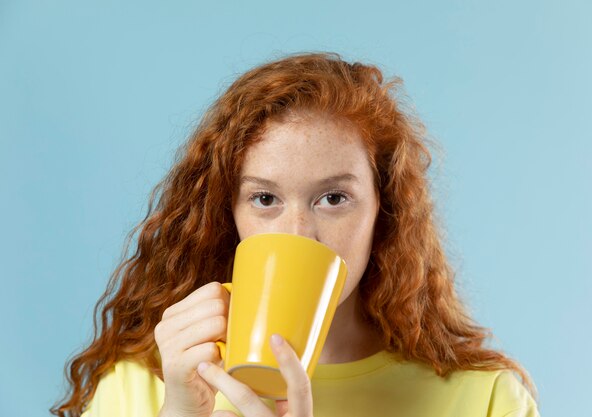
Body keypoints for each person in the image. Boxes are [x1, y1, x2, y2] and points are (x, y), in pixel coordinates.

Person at [52, 52, 539, 417]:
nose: (298, 233)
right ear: (230, 218)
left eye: (333, 199)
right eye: (265, 200)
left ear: (385, 214)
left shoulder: (484, 398)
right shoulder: (145, 387)